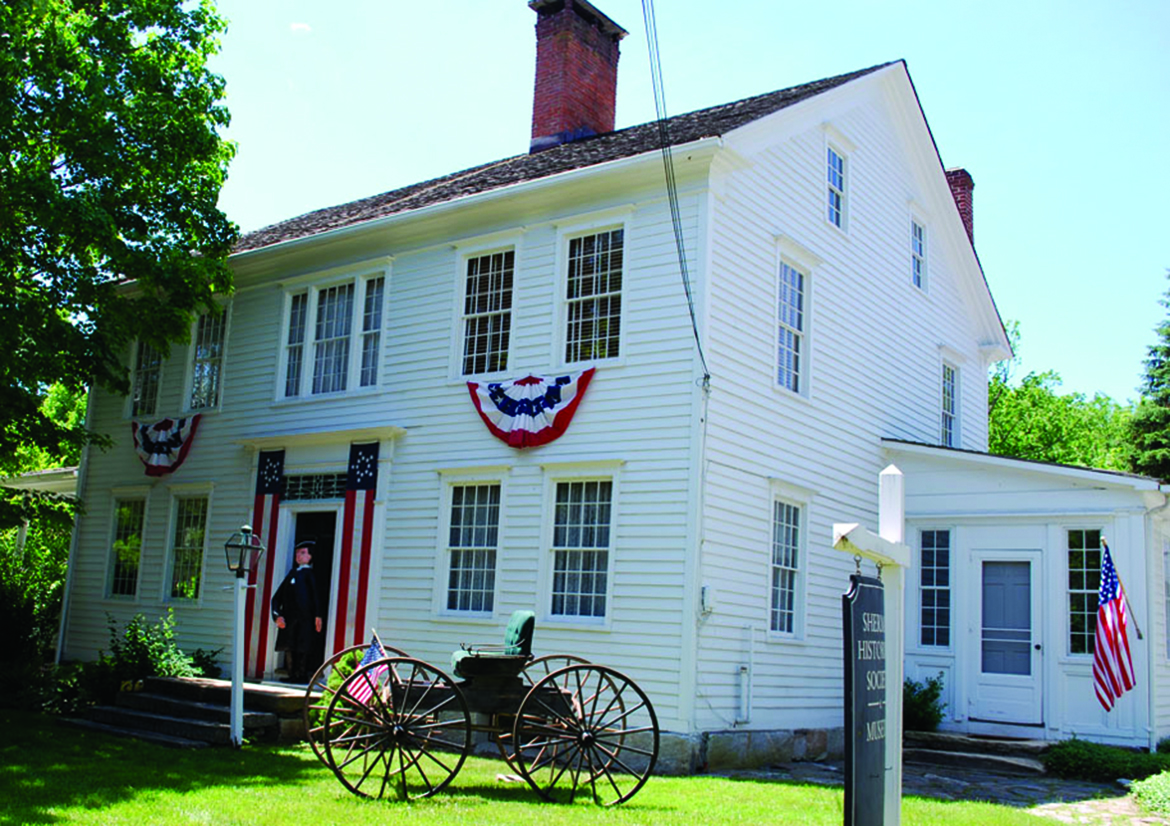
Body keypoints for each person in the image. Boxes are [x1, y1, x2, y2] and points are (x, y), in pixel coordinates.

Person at [271, 541, 323, 683]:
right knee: (289, 646)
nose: (298, 556)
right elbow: (277, 597)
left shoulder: (310, 575)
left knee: (303, 646)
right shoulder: (292, 574)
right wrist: (276, 615)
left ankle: (302, 674)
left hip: (305, 619)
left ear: (310, 556)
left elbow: (316, 596)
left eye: (302, 553)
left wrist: (318, 615)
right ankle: (291, 674)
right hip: (290, 619)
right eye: (297, 553)